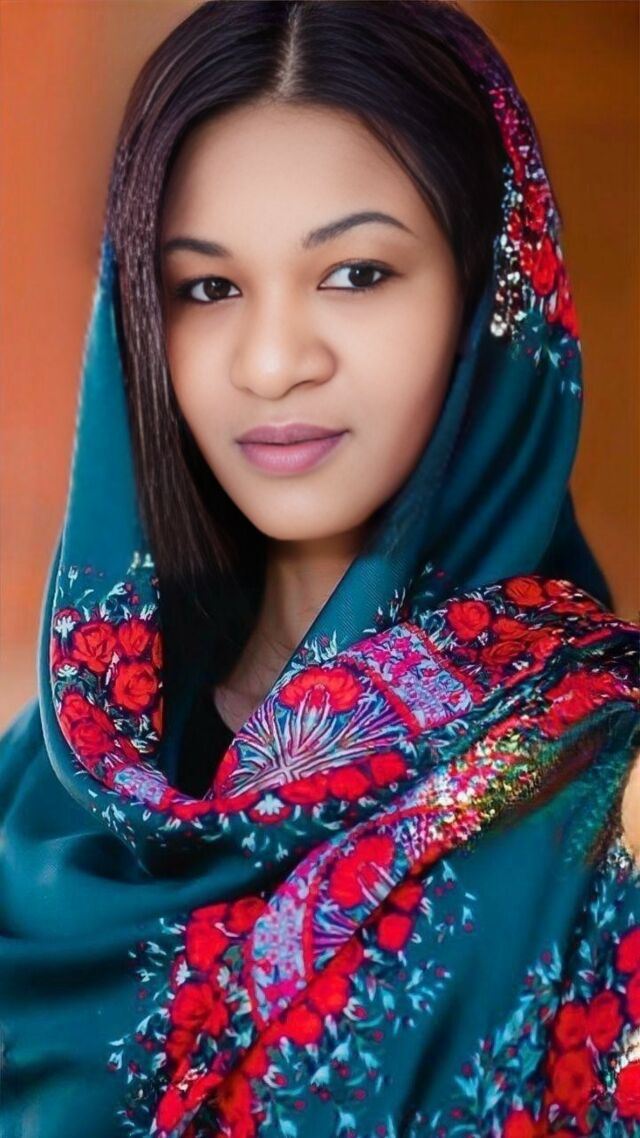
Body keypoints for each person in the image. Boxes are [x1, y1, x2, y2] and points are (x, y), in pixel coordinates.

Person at [1, 2, 638, 1136]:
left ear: (487, 297)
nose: (272, 362)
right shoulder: (43, 792)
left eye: (355, 272)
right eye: (208, 288)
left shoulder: (605, 786)